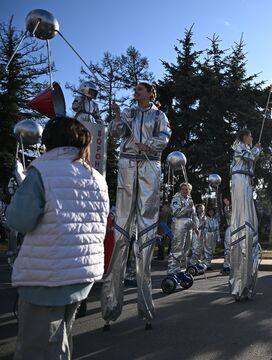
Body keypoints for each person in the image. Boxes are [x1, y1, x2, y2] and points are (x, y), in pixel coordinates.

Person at [6, 116, 109, 359]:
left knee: (36, 349)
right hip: (81, 273)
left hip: (47, 274)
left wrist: (20, 187)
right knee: (60, 342)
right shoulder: (96, 177)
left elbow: (19, 219)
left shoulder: (42, 169)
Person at [101, 81, 171, 330]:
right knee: (121, 229)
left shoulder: (159, 115)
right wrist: (118, 116)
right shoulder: (129, 111)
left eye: (140, 89)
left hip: (150, 167)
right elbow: (116, 132)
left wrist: (149, 145)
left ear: (151, 92)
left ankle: (146, 307)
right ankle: (110, 306)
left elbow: (165, 136)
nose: (136, 92)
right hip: (127, 165)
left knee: (146, 231)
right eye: (135, 90)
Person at [229, 128, 262, 300]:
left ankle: (247, 283)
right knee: (242, 222)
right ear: (244, 136)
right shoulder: (238, 146)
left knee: (250, 223)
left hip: (246, 182)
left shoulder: (245, 148)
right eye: (250, 135)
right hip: (240, 181)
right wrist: (257, 149)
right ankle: (238, 284)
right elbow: (250, 157)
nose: (252, 137)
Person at [169, 182, 196, 274]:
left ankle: (182, 269)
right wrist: (188, 208)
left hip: (189, 226)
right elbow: (176, 213)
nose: (185, 191)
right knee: (177, 248)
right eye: (183, 189)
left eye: (187, 189)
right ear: (180, 190)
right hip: (179, 225)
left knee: (186, 249)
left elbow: (193, 215)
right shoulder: (176, 199)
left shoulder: (190, 200)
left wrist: (195, 226)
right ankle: (173, 269)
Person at [220, 197, 232, 275]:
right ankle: (227, 266)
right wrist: (227, 206)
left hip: (240, 230)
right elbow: (227, 215)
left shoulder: (243, 209)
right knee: (228, 249)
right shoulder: (229, 209)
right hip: (231, 229)